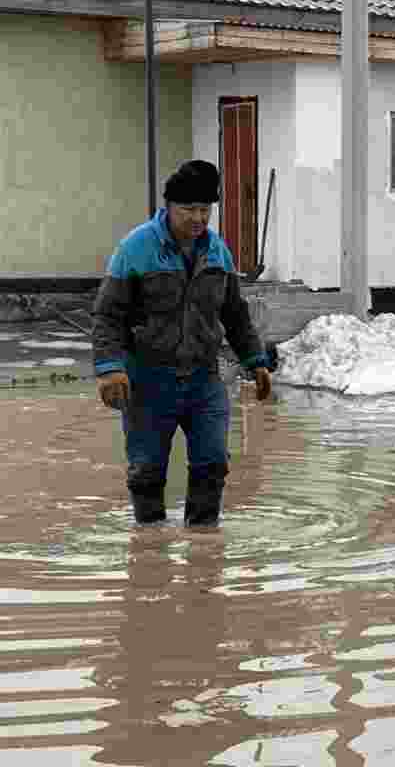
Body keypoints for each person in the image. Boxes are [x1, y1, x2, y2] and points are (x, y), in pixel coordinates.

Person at [92, 160, 272, 526]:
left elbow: (235, 314)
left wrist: (255, 359)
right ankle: (148, 554)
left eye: (205, 210)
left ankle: (203, 555)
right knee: (146, 471)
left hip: (204, 379)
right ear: (169, 207)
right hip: (147, 379)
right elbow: (107, 315)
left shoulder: (218, 251)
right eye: (189, 209)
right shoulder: (136, 248)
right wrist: (110, 368)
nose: (198, 218)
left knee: (212, 463)